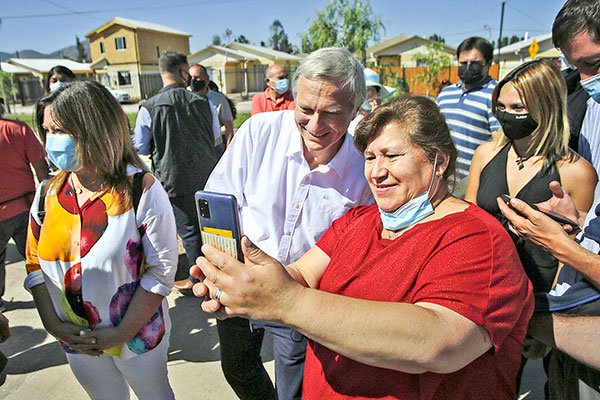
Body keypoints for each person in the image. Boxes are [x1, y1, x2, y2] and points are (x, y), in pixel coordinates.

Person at [192, 95, 534, 399]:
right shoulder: (358, 220)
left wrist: (285, 302)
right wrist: (245, 284)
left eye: (391, 155)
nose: (376, 172)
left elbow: (439, 341)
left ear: (439, 162)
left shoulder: (477, 239)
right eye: (369, 158)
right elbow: (300, 275)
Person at [197, 47, 373, 400]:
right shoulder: (258, 132)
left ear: (355, 109)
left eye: (332, 113)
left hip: (302, 296)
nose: (315, 124)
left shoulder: (366, 166)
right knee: (237, 367)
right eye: (305, 109)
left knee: (293, 387)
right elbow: (219, 202)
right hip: (239, 278)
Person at [25, 81, 178, 398]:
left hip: (136, 339)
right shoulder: (47, 193)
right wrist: (53, 323)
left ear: (94, 128)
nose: (52, 142)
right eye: (47, 131)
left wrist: (121, 332)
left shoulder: (141, 190)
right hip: (75, 340)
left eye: (61, 131)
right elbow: (33, 265)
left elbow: (161, 271)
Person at [466, 59, 596, 294]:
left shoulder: (576, 172)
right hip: (483, 284)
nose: (506, 116)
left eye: (517, 108)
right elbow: (467, 223)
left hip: (539, 294)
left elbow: (573, 253)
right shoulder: (485, 154)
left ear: (545, 108)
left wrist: (554, 308)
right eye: (501, 107)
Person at [132, 51, 220, 281]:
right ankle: (212, 273)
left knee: (188, 230)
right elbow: (215, 138)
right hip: (207, 176)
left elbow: (140, 146)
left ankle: (196, 278)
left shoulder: (148, 108)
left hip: (173, 180)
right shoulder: (204, 103)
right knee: (209, 229)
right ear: (183, 72)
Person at [0, 102, 48, 311]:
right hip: (23, 208)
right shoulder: (17, 129)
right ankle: (51, 295)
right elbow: (41, 167)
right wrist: (46, 201)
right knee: (38, 256)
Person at [436, 37, 500, 189]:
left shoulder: (497, 95)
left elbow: (499, 143)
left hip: (476, 182)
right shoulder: (445, 94)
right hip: (444, 179)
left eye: (475, 63)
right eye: (463, 63)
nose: (468, 67)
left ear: (489, 63)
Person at [189, 64, 235, 145]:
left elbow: (229, 126)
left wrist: (229, 151)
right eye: (190, 77)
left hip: (215, 146)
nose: (193, 80)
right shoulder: (184, 97)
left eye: (196, 77)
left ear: (206, 79)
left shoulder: (218, 98)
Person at [347, 68, 395, 135]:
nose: (364, 93)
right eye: (361, 89)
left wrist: (375, 116)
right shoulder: (349, 115)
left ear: (377, 93)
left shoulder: (384, 116)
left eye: (368, 89)